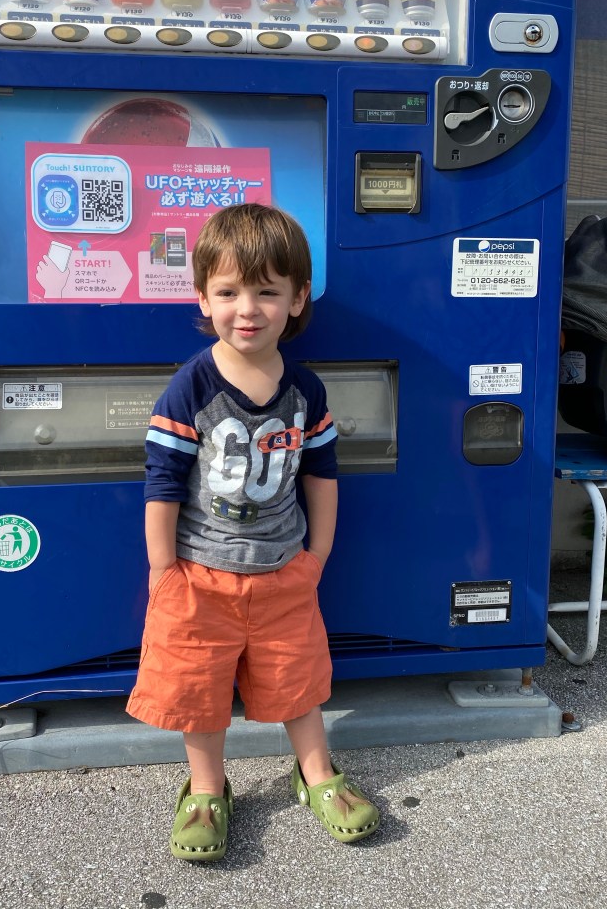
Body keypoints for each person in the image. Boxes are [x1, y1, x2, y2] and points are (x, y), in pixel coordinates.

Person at [126, 203, 379, 861]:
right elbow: (161, 481)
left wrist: (318, 554)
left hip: (283, 575)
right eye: (229, 292)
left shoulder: (306, 391)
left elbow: (322, 473)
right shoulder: (190, 388)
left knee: (299, 681)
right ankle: (206, 790)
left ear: (297, 299)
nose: (248, 309)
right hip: (198, 578)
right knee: (197, 691)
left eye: (267, 292)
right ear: (202, 297)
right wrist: (163, 570)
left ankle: (317, 775)